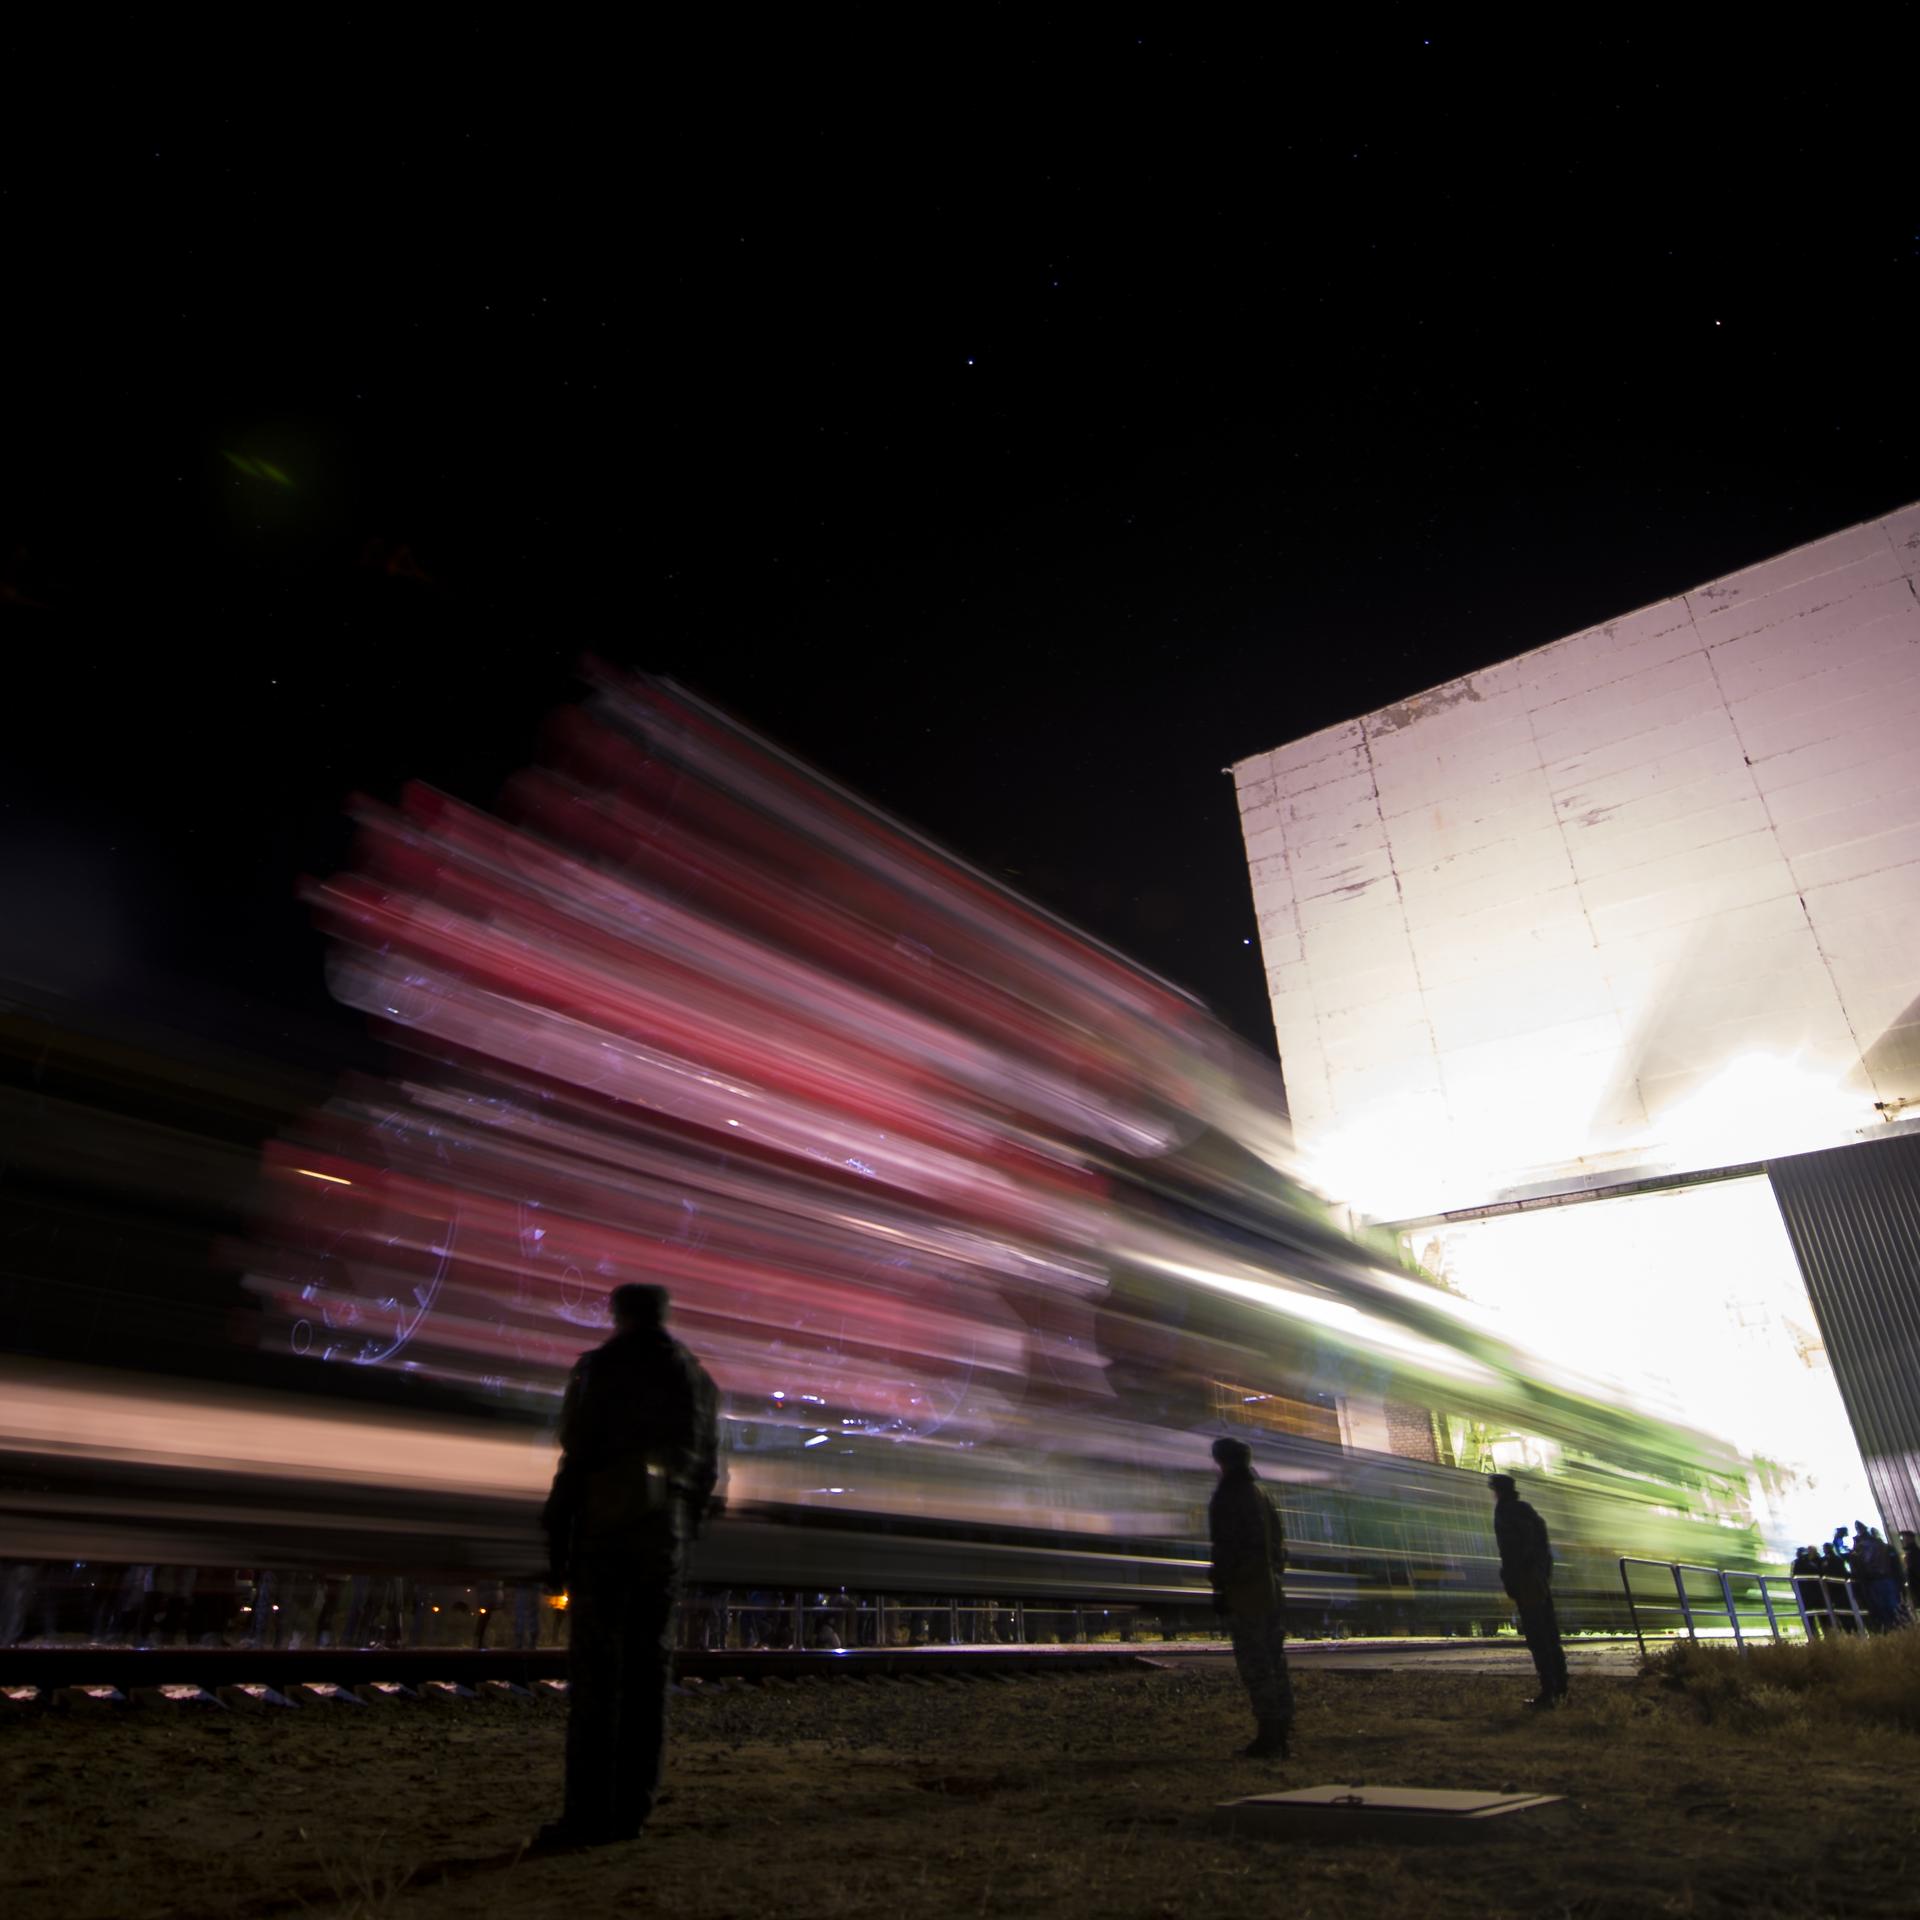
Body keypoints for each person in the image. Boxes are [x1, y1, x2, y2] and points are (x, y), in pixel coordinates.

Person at [535, 1283, 720, 1850]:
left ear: (618, 1314)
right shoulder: (696, 1378)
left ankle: (587, 1816)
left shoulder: (600, 1369)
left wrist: (556, 1534)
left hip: (604, 1537)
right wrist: (681, 1528)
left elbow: (577, 1454)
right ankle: (632, 1811)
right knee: (648, 1676)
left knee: (597, 1680)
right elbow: (706, 1470)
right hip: (662, 1542)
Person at [1208, 1436, 1293, 1759]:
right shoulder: (1261, 1493)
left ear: (1221, 1461)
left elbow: (1225, 1548)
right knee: (1275, 1660)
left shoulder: (1228, 1496)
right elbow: (1278, 1544)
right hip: (1270, 1590)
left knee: (1255, 1664)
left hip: (1245, 1592)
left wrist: (1220, 1588)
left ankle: (1269, 1735)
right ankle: (1282, 1730)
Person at [1489, 1473, 1567, 1707]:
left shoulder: (1506, 1513)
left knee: (1537, 1636)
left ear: (1497, 1491)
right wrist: (1543, 1574)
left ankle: (1548, 1692)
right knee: (1550, 1635)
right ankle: (1561, 1689)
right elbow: (1543, 1547)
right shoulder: (1528, 1511)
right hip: (1539, 1579)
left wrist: (1510, 1577)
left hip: (1526, 1581)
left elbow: (1511, 1552)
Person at [1791, 1546, 1827, 1638]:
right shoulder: (1812, 1563)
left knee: (1810, 1617)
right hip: (1814, 1593)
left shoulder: (1797, 1564)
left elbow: (1793, 1578)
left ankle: (1814, 1636)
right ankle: (1824, 1635)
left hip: (1806, 1593)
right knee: (1821, 1615)